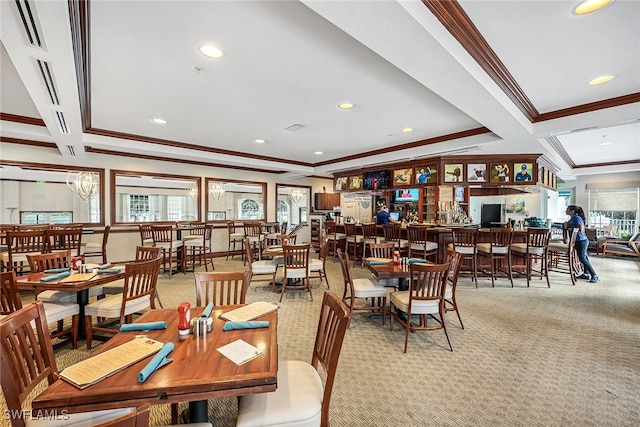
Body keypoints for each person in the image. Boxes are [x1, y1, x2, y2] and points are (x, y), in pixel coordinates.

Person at [565, 205, 599, 283]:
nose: (565, 211)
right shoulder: (572, 218)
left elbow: (580, 229)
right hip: (577, 241)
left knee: (582, 258)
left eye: (567, 209)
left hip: (581, 241)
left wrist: (568, 228)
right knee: (584, 257)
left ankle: (594, 275)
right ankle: (586, 274)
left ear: (572, 211)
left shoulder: (577, 218)